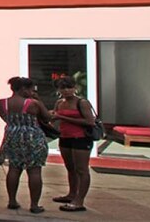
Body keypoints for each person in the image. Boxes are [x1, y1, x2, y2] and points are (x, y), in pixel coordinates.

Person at [0, 76, 51, 213]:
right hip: (32, 136)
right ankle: (34, 205)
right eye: (31, 89)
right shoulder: (33, 103)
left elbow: (5, 118)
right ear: (24, 89)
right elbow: (47, 117)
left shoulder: (1, 103)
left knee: (14, 168)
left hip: (12, 135)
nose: (32, 92)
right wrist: (38, 100)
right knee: (34, 170)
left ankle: (12, 200)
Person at [51, 76, 95, 212]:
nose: (66, 90)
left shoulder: (82, 102)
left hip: (81, 138)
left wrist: (62, 117)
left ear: (75, 88)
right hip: (65, 137)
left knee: (82, 169)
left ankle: (79, 200)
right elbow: (54, 119)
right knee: (70, 168)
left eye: (69, 87)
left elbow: (90, 121)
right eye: (62, 88)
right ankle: (71, 194)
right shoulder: (59, 103)